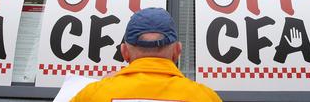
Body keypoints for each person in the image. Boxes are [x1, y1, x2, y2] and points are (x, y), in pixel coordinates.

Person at [70, 7, 222, 102]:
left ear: (124, 52)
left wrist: (103, 85)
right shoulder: (205, 97)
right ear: (177, 51)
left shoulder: (92, 95)